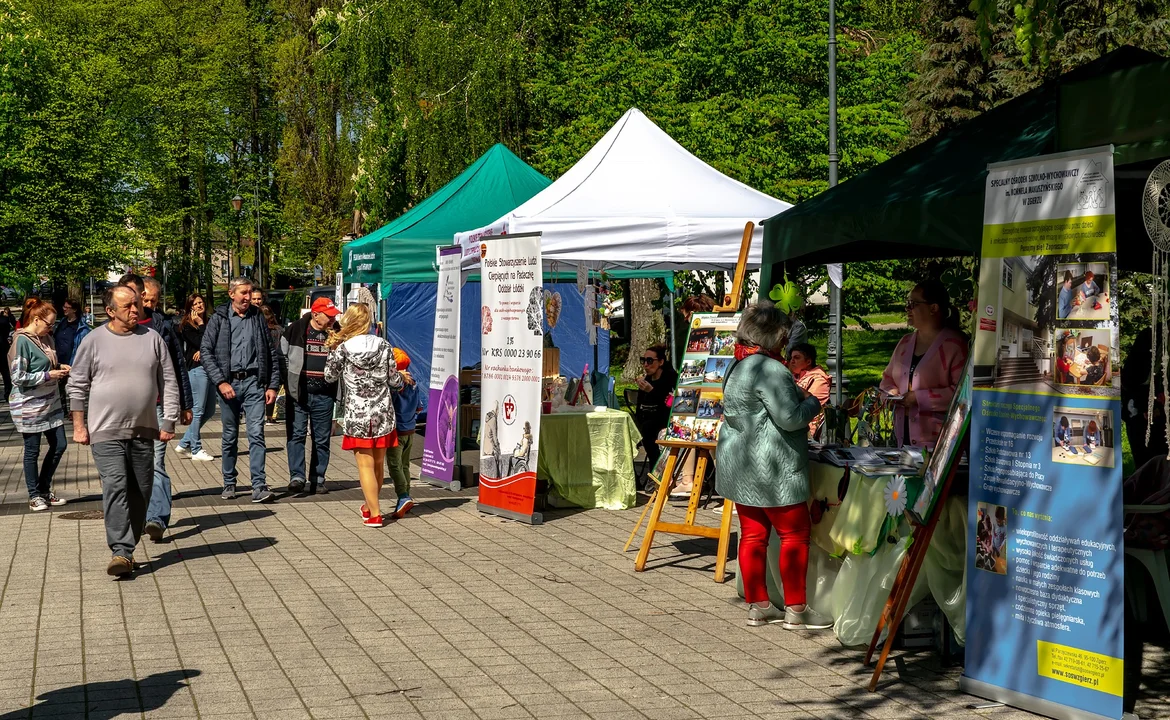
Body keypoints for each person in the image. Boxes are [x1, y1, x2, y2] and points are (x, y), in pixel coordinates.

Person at [715, 302, 831, 630]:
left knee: (752, 536)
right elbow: (790, 418)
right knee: (794, 535)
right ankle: (796, 609)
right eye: (783, 334)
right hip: (773, 468)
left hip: (741, 464)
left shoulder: (737, 365)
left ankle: (758, 605)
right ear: (774, 335)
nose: (786, 341)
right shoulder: (771, 369)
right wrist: (813, 401)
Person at [68, 285, 179, 577]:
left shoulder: (152, 339)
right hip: (105, 430)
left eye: (136, 304)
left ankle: (129, 541)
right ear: (110, 311)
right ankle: (121, 551)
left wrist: (169, 421)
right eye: (128, 306)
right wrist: (79, 426)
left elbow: (168, 381)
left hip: (144, 429)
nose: (135, 310)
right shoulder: (93, 341)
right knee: (116, 486)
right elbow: (77, 385)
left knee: (141, 491)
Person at [324, 303, 407, 527]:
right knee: (378, 464)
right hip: (382, 411)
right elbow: (393, 380)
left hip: (357, 411)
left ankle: (375, 513)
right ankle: (370, 507)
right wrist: (403, 379)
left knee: (365, 466)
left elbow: (329, 376)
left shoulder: (343, 349)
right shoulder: (384, 345)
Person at [201, 277, 281, 503]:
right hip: (229, 384)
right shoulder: (219, 319)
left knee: (256, 434)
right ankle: (229, 482)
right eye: (243, 293)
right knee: (229, 436)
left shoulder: (258, 318)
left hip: (255, 383)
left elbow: (270, 353)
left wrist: (273, 384)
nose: (247, 297)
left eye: (250, 293)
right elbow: (206, 352)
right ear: (231, 294)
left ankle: (259, 485)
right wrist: (220, 382)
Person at [136, 275, 193, 541]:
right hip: (128, 408)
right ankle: (138, 514)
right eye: (144, 298)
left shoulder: (163, 325)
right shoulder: (114, 327)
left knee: (156, 462)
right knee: (134, 466)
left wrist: (184, 403)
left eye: (153, 300)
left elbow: (177, 366)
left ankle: (156, 518)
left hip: (157, 405)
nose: (148, 304)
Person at [879, 279, 969, 448]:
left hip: (938, 444)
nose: (907, 309)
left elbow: (962, 394)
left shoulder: (954, 346)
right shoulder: (905, 342)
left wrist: (919, 398)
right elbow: (887, 378)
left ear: (933, 308)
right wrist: (891, 393)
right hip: (901, 439)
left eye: (913, 304)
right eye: (907, 303)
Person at [8, 298, 69, 511]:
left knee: (60, 444)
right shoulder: (22, 341)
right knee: (32, 450)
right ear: (36, 319)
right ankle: (34, 495)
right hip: (29, 406)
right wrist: (48, 375)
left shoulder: (46, 339)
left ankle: (44, 488)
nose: (51, 328)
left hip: (50, 403)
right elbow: (18, 377)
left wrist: (60, 367)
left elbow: (47, 364)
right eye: (49, 324)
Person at [281, 296, 342, 495]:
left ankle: (318, 478)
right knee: (296, 434)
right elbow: (280, 356)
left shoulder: (337, 332)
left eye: (334, 315)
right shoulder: (296, 330)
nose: (333, 319)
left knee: (322, 438)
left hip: (325, 394)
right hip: (299, 393)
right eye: (329, 315)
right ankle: (297, 477)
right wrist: (286, 382)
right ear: (316, 314)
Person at [176, 294, 216, 462]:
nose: (200, 305)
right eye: (196, 303)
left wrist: (205, 348)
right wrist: (200, 325)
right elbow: (202, 342)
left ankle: (184, 442)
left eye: (201, 302)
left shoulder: (209, 322)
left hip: (211, 368)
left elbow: (214, 342)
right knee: (198, 410)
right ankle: (196, 448)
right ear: (190, 307)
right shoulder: (186, 325)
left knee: (210, 410)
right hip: (197, 369)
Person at [1121, 328, 1167, 467]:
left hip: (1152, 406)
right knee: (1146, 460)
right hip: (1138, 410)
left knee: (1160, 458)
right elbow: (1130, 381)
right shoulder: (1149, 338)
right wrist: (1145, 407)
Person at [633, 344, 677, 486]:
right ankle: (636, 476)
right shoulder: (647, 379)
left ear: (661, 362)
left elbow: (668, 406)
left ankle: (657, 476)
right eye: (644, 360)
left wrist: (651, 391)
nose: (646, 364)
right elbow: (640, 407)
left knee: (649, 430)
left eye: (650, 361)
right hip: (648, 421)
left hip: (665, 420)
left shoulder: (670, 378)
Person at [387, 347, 422, 518]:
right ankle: (407, 496)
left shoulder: (395, 386)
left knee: (394, 465)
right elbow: (419, 408)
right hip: (410, 430)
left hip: (396, 431)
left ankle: (403, 495)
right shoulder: (414, 384)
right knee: (405, 464)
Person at [787, 343, 831, 438]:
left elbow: (811, 409)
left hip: (806, 433)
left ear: (808, 362)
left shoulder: (819, 380)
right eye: (791, 358)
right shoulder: (796, 376)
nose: (792, 361)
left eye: (797, 358)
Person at [261, 304, 283, 424]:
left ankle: (262, 414)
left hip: (264, 362)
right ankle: (270, 416)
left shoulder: (260, 330)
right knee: (272, 389)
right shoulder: (278, 330)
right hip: (276, 362)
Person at [54, 296, 90, 366]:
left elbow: (84, 350)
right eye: (64, 307)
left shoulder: (82, 329)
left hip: (71, 364)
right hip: (58, 362)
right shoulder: (62, 322)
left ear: (74, 310)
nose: (64, 309)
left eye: (67, 308)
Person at [0, 307, 15, 398]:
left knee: (5, 373)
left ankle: (8, 391)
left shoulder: (4, 320)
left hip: (3, 348)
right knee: (5, 373)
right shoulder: (5, 320)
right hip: (3, 348)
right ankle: (8, 392)